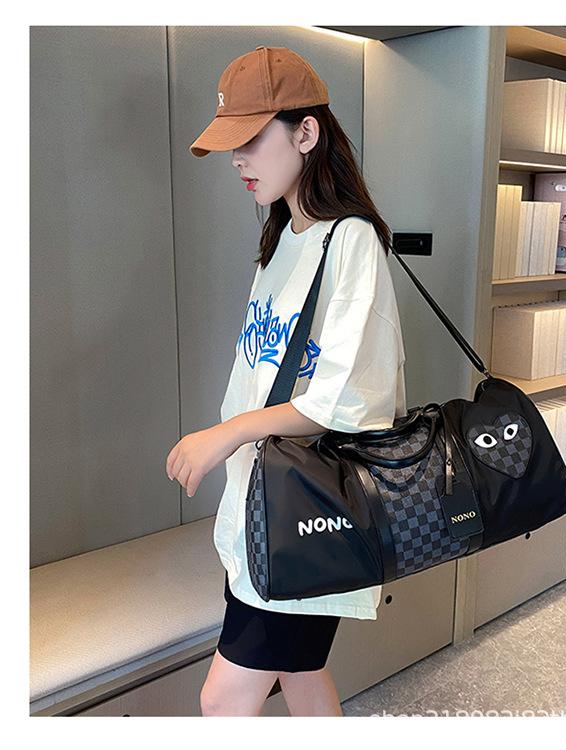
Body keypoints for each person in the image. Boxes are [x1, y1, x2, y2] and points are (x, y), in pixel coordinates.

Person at [165, 46, 407, 716]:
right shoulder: (282, 238)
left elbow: (348, 398)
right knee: (301, 673)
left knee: (222, 701)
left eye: (251, 140)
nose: (237, 160)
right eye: (231, 145)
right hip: (267, 506)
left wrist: (225, 434)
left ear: (306, 133)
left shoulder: (350, 241)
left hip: (308, 513)